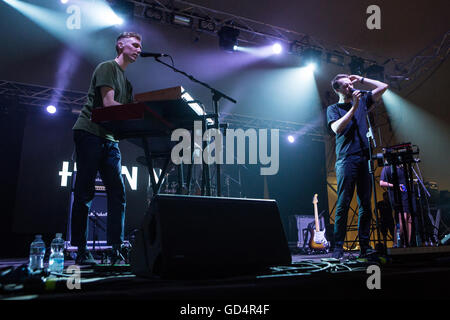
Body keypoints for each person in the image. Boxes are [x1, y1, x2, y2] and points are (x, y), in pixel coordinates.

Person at [71, 32, 142, 265]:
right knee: (84, 192)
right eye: (135, 45)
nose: (139, 50)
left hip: (110, 139)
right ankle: (80, 250)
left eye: (140, 47)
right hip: (89, 132)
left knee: (118, 194)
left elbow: (126, 116)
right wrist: (140, 112)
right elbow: (110, 105)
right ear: (120, 45)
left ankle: (115, 249)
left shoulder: (128, 83)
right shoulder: (107, 67)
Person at [327, 74, 388, 259]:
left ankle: (364, 246)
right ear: (338, 90)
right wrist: (353, 107)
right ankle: (338, 248)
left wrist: (361, 79)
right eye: (346, 86)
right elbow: (337, 128)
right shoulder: (334, 108)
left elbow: (383, 86)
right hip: (346, 160)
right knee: (343, 204)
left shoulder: (361, 98)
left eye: (350, 84)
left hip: (364, 158)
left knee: (366, 206)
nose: (350, 88)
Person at [380, 165, 415, 247]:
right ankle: (396, 243)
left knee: (409, 219)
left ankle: (407, 244)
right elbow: (381, 183)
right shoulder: (388, 167)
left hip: (407, 194)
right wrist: (396, 186)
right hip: (397, 196)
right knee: (403, 218)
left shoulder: (404, 167)